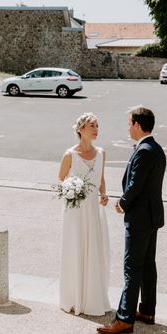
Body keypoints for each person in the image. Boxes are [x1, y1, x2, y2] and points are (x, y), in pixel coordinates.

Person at [97, 106, 166, 334]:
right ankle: (147, 310)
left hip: (139, 218)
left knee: (132, 267)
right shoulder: (156, 148)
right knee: (147, 264)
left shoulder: (145, 150)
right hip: (152, 216)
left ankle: (125, 317)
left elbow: (136, 185)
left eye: (129, 123)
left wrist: (122, 203)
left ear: (137, 124)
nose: (128, 127)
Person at [58, 113, 112, 316]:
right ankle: (74, 297)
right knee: (76, 248)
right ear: (81, 129)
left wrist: (104, 194)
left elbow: (101, 178)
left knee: (94, 250)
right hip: (75, 211)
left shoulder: (101, 153)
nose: (96, 129)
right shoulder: (69, 155)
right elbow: (62, 178)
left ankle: (92, 298)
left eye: (97, 125)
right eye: (92, 125)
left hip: (93, 209)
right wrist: (72, 188)